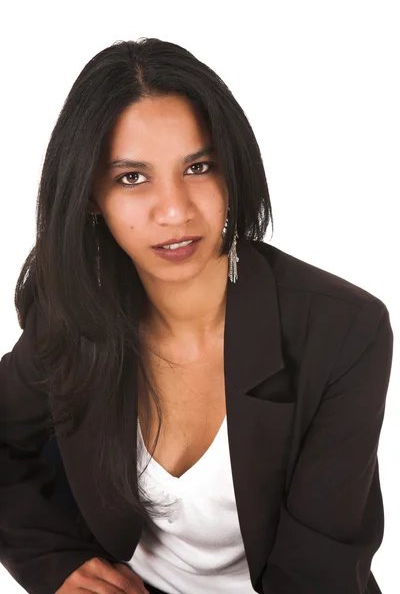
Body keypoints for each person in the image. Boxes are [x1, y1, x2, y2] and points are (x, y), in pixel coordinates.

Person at [0, 37, 393, 594]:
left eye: (199, 167)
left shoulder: (343, 330)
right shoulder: (74, 316)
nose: (175, 211)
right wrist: (53, 562)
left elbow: (317, 571)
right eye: (132, 177)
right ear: (91, 196)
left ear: (232, 170)